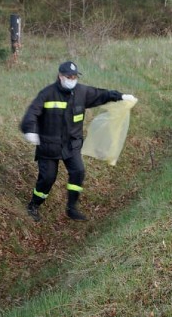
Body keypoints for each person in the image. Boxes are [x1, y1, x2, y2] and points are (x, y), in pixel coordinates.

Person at [20, 61, 135, 222]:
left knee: (78, 172)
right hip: (49, 146)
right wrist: (29, 130)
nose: (72, 79)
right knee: (47, 178)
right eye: (69, 76)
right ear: (60, 76)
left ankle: (71, 208)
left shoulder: (82, 92)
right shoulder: (47, 94)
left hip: (71, 145)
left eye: (74, 76)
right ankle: (34, 204)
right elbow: (32, 112)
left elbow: (101, 94)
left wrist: (120, 96)